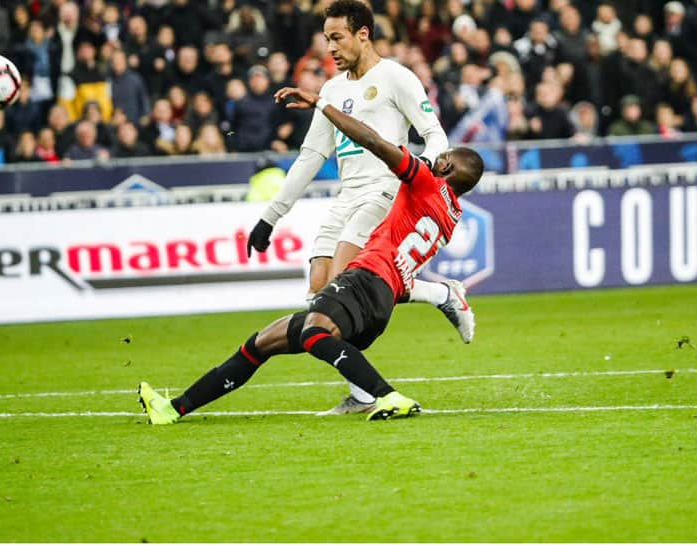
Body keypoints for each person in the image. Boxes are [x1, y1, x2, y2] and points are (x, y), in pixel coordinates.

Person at [137, 83, 484, 425]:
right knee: (262, 342)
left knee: (314, 332)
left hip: (366, 280)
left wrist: (323, 104)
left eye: (442, 158)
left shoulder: (425, 182)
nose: (434, 157)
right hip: (380, 298)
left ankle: (387, 395)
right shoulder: (451, 217)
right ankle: (174, 409)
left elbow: (374, 142)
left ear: (445, 169)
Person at [244, 0, 474, 415]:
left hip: (384, 191)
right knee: (319, 290)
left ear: (363, 34)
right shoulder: (331, 90)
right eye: (326, 38)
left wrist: (422, 172)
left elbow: (433, 133)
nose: (329, 47)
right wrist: (269, 217)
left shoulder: (396, 78)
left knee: (343, 284)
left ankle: (436, 301)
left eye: (337, 37)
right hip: (346, 196)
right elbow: (311, 156)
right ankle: (370, 382)